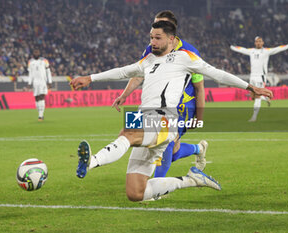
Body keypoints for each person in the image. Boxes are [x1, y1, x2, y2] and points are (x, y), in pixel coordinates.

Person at [70, 21, 273, 202]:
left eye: (158, 38)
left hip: (165, 119)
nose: (153, 42)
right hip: (143, 116)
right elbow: (124, 71)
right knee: (135, 193)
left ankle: (91, 162)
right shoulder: (148, 60)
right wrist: (90, 78)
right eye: (151, 37)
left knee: (128, 133)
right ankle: (191, 180)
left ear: (172, 39)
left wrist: (250, 87)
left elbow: (217, 74)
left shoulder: (184, 58)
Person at [112, 10, 208, 179]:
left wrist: (199, 117)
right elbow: (139, 74)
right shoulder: (151, 49)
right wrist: (124, 94)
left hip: (183, 107)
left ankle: (155, 187)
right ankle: (198, 149)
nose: (157, 28)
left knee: (167, 145)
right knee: (172, 151)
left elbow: (199, 87)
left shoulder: (190, 53)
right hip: (157, 104)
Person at [229, 37, 288, 122]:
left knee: (257, 96)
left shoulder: (266, 51)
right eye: (257, 41)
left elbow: (279, 48)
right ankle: (265, 98)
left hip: (260, 76)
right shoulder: (251, 51)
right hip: (252, 76)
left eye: (260, 41)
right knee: (253, 97)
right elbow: (241, 49)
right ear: (255, 43)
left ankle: (254, 117)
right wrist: (231, 47)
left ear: (263, 43)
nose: (258, 43)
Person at [27, 48, 52, 121]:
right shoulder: (30, 62)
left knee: (41, 97)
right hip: (35, 83)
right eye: (35, 52)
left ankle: (40, 116)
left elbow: (48, 71)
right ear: (33, 53)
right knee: (36, 98)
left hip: (42, 82)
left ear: (39, 53)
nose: (36, 53)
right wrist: (29, 83)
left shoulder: (44, 61)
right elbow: (30, 74)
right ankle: (40, 114)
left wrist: (49, 81)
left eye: (37, 52)